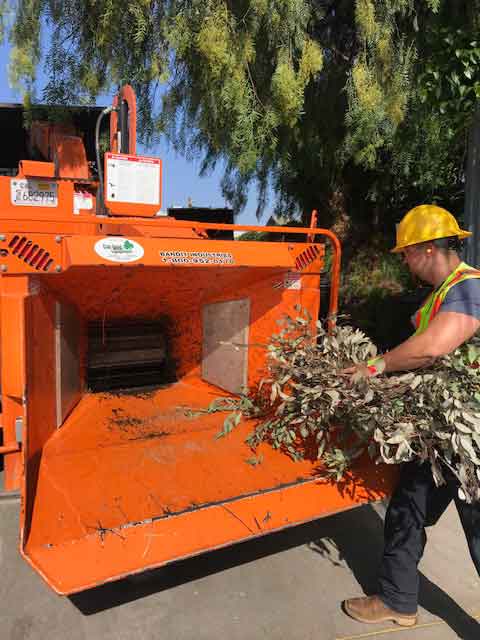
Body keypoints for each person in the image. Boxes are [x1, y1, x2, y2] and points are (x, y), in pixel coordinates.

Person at [342, 204, 480, 628]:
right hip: (439, 432)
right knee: (407, 506)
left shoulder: (470, 287)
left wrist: (374, 368)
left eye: (406, 252)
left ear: (426, 249)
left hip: (469, 435)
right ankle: (397, 599)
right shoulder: (445, 291)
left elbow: (432, 348)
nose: (403, 261)